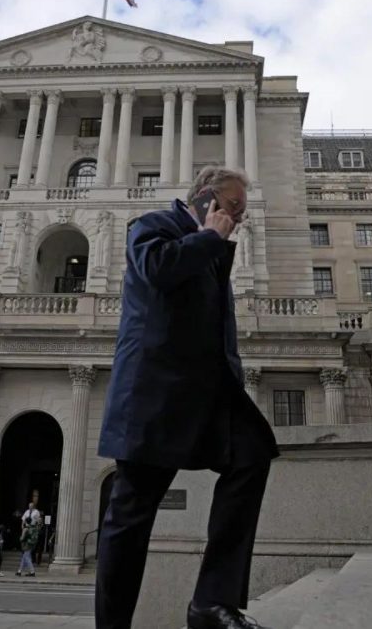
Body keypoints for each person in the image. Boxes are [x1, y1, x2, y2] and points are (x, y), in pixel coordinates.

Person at [95, 166, 279, 629]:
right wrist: (210, 239)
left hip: (210, 392)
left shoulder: (212, 248)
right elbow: (158, 270)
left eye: (241, 212)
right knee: (131, 515)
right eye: (232, 207)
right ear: (205, 199)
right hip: (156, 394)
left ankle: (211, 603)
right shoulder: (153, 226)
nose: (237, 218)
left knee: (252, 453)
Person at [16, 510, 40, 577]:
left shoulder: (26, 529)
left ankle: (32, 572)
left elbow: (22, 538)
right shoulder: (33, 527)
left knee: (27, 558)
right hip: (32, 544)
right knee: (24, 558)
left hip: (26, 545)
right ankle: (19, 571)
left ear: (26, 521)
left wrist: (20, 539)